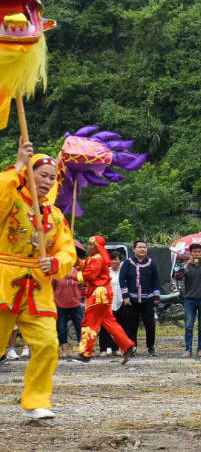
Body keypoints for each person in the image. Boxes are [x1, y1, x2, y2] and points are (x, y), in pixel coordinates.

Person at [0, 142, 77, 419]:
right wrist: (18, 163)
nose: (47, 181)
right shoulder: (11, 199)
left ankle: (36, 400)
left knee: (47, 343)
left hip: (37, 287)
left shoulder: (55, 216)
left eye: (52, 177)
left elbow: (68, 251)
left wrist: (55, 262)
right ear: (29, 175)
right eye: (42, 175)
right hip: (4, 279)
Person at [71, 235, 135, 364]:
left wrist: (72, 275)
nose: (88, 247)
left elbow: (89, 274)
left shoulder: (97, 259)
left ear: (98, 247)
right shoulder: (93, 258)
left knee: (89, 322)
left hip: (98, 295)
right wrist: (74, 258)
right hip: (102, 294)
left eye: (91, 245)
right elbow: (83, 265)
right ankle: (128, 346)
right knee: (110, 323)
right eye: (88, 244)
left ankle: (85, 352)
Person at [118, 240, 160, 356]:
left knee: (150, 324)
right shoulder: (127, 263)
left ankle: (150, 347)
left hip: (148, 299)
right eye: (139, 247)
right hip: (132, 299)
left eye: (144, 247)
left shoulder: (151, 263)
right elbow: (122, 280)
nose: (142, 249)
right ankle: (132, 347)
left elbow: (156, 280)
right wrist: (125, 296)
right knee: (131, 325)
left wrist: (156, 296)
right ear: (134, 249)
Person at [174, 243, 201, 358]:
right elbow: (176, 276)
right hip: (189, 299)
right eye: (194, 252)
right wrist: (187, 265)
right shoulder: (186, 265)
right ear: (190, 253)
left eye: (198, 252)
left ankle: (200, 349)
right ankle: (188, 349)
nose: (196, 254)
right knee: (189, 325)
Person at [52, 268, 83, 358]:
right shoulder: (57, 272)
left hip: (75, 304)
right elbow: (52, 286)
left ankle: (82, 350)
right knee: (61, 328)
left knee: (80, 326)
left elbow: (81, 285)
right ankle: (65, 351)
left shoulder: (77, 272)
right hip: (60, 305)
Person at [98, 251, 124, 356]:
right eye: (112, 259)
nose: (114, 261)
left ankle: (115, 348)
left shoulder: (123, 272)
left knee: (118, 326)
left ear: (120, 261)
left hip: (121, 302)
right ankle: (103, 349)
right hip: (107, 303)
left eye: (117, 259)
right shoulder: (106, 272)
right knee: (105, 327)